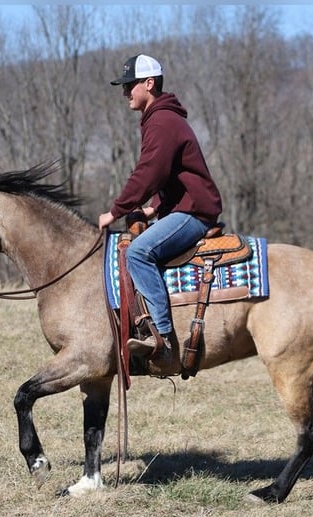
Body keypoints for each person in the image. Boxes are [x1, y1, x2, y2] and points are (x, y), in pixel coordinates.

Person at [98, 54, 223, 368]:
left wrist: (115, 211)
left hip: (195, 213)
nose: (125, 92)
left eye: (130, 85)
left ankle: (163, 338)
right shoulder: (162, 118)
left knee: (138, 252)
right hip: (187, 206)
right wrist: (153, 208)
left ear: (148, 84)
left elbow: (149, 173)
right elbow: (174, 177)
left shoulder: (163, 121)